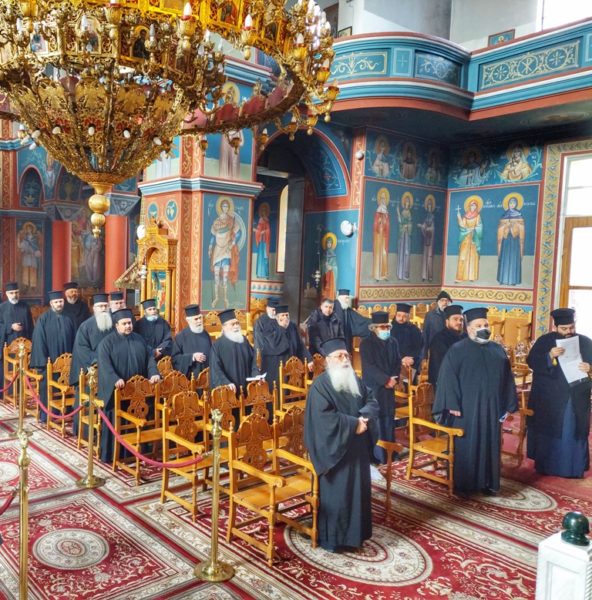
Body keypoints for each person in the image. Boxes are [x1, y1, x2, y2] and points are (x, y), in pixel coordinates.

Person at [432, 307, 517, 497]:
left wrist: (508, 405)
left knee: (490, 444)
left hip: (492, 408)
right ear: (469, 328)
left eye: (486, 325)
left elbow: (507, 379)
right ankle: (464, 485)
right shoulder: (457, 350)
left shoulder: (497, 350)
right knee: (467, 446)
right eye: (478, 326)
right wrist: (451, 404)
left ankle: (488, 483)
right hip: (466, 409)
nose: (483, 328)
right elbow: (446, 378)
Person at [304, 337, 379, 552]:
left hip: (358, 449)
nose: (345, 359)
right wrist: (354, 424)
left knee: (358, 495)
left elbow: (371, 400)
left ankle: (356, 536)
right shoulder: (320, 386)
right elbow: (323, 419)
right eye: (339, 356)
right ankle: (334, 540)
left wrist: (364, 417)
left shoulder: (355, 379)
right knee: (339, 496)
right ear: (328, 360)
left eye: (346, 355)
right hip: (335, 453)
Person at [526, 308, 592, 478]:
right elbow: (531, 361)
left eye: (571, 327)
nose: (568, 331)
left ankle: (571, 469)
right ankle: (547, 466)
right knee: (549, 429)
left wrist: (590, 368)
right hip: (550, 396)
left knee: (571, 428)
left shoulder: (585, 341)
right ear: (555, 327)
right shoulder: (545, 341)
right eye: (564, 328)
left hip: (575, 396)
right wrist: (549, 355)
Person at [96, 309, 160, 463]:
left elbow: (150, 359)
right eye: (124, 324)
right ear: (116, 325)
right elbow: (104, 365)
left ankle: (138, 453)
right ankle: (114, 455)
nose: (128, 326)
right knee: (116, 421)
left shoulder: (139, 339)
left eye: (129, 323)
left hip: (137, 392)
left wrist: (154, 373)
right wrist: (114, 379)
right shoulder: (106, 343)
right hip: (117, 391)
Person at [69, 293, 114, 435]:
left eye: (105, 306)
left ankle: (107, 434)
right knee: (88, 402)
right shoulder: (85, 326)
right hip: (91, 372)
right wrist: (101, 360)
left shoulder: (114, 324)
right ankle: (85, 434)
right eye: (100, 306)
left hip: (110, 371)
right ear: (94, 308)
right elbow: (82, 349)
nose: (103, 309)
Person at [360, 312, 401, 463]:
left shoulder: (393, 341)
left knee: (388, 418)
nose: (386, 330)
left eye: (387, 327)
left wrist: (394, 378)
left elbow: (397, 361)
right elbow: (369, 367)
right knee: (376, 420)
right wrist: (385, 380)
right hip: (374, 387)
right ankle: (378, 456)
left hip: (389, 387)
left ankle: (390, 454)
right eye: (382, 327)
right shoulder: (366, 344)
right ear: (374, 328)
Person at [29, 291, 76, 423]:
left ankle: (68, 411)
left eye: (60, 301)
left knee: (69, 384)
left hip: (67, 363)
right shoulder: (43, 319)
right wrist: (44, 363)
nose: (59, 304)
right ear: (51, 303)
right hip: (49, 363)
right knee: (47, 385)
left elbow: (76, 339)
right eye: (56, 302)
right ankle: (48, 414)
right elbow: (39, 342)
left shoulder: (70, 317)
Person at [260, 304, 313, 386]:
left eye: (287, 315)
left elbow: (300, 345)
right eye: (283, 315)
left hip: (292, 365)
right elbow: (274, 345)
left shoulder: (292, 326)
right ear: (277, 317)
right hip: (276, 365)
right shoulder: (269, 327)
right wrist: (281, 328)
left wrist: (309, 360)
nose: (285, 318)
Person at [209, 308, 259, 393]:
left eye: (237, 323)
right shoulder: (217, 345)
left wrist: (256, 375)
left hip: (247, 389)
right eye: (232, 324)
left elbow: (254, 360)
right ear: (224, 327)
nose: (236, 326)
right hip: (230, 390)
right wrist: (226, 383)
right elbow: (216, 369)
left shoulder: (244, 340)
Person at [209, 197, 241, 309]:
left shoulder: (232, 220)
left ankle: (226, 298)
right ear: (221, 207)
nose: (225, 208)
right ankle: (217, 298)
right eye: (223, 206)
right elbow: (213, 236)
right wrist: (210, 246)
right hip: (218, 249)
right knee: (216, 275)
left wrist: (233, 243)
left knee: (225, 276)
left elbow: (237, 233)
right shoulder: (217, 221)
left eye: (227, 206)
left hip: (227, 250)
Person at [427, 304, 466, 385]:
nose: (459, 322)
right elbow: (442, 365)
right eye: (455, 319)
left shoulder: (465, 337)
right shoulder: (439, 339)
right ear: (447, 321)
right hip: (445, 381)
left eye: (461, 320)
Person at [171, 304, 212, 379]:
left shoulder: (205, 334)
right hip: (191, 379)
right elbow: (175, 359)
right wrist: (192, 357)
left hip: (208, 376)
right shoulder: (181, 336)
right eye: (196, 319)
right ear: (188, 321)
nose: (199, 321)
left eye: (200, 318)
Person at [497, 194, 525, 286]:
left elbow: (521, 227)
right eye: (510, 203)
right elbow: (500, 227)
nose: (512, 204)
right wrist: (505, 226)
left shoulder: (519, 215)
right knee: (504, 259)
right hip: (505, 240)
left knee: (513, 259)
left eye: (513, 203)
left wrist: (512, 226)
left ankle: (513, 280)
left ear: (516, 204)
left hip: (514, 240)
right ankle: (502, 279)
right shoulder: (504, 215)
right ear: (508, 204)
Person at [331, 289, 371, 354]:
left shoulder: (346, 308)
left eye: (348, 298)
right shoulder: (333, 307)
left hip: (346, 338)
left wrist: (373, 321)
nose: (347, 300)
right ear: (340, 298)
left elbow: (359, 319)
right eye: (346, 298)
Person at [390, 303, 422, 380]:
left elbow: (420, 347)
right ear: (395, 315)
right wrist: (401, 359)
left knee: (407, 382)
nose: (401, 318)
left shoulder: (414, 329)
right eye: (399, 315)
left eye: (404, 316)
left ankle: (408, 384)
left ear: (408, 317)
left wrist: (412, 359)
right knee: (396, 381)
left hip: (410, 362)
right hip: (393, 362)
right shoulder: (389, 329)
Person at [455, 196, 483, 282]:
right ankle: (461, 277)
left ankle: (471, 277)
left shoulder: (478, 216)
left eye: (474, 205)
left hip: (474, 238)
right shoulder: (465, 216)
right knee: (463, 255)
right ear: (469, 206)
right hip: (466, 237)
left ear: (476, 207)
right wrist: (459, 218)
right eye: (471, 205)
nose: (473, 207)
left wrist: (474, 229)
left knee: (473, 257)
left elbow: (480, 227)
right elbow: (462, 226)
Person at [422, 290, 452, 358]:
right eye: (442, 300)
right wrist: (424, 353)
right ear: (438, 302)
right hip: (435, 348)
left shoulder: (452, 316)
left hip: (450, 347)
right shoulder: (430, 315)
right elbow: (425, 334)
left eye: (447, 301)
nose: (445, 303)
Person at [372, 187, 390, 281]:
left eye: (384, 198)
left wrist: (386, 220)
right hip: (379, 236)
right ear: (380, 199)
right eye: (382, 198)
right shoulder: (378, 210)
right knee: (378, 254)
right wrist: (380, 221)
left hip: (384, 236)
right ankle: (377, 275)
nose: (383, 200)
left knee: (384, 253)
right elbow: (375, 223)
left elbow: (388, 224)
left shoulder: (386, 211)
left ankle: (384, 275)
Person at [417, 196, 435, 282]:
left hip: (430, 240)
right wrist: (422, 226)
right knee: (425, 257)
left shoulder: (433, 216)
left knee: (429, 257)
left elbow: (432, 228)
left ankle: (430, 276)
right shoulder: (426, 216)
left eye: (430, 205)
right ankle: (424, 276)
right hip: (426, 239)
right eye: (428, 205)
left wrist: (426, 228)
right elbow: (424, 225)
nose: (429, 207)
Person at [396, 194, 413, 281]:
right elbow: (400, 222)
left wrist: (408, 226)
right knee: (401, 253)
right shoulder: (402, 212)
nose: (407, 203)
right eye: (406, 201)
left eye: (408, 202)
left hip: (407, 235)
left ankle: (406, 274)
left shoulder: (409, 213)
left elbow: (410, 223)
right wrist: (398, 212)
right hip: (402, 235)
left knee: (406, 253)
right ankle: (400, 274)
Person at [253, 203, 271, 279]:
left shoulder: (267, 221)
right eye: (262, 211)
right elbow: (259, 230)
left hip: (265, 242)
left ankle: (266, 274)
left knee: (265, 257)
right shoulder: (260, 220)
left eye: (265, 210)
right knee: (260, 258)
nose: (263, 212)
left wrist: (264, 232)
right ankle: (259, 274)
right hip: (261, 242)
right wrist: (257, 231)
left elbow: (268, 230)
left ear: (266, 212)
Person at [320, 233, 338, 301]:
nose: (329, 244)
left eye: (330, 243)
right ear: (326, 244)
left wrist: (332, 267)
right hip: (325, 274)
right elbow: (321, 264)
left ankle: (330, 299)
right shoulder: (324, 254)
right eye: (328, 243)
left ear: (332, 244)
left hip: (331, 274)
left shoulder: (334, 254)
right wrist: (324, 265)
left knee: (330, 288)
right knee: (324, 288)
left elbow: (336, 267)